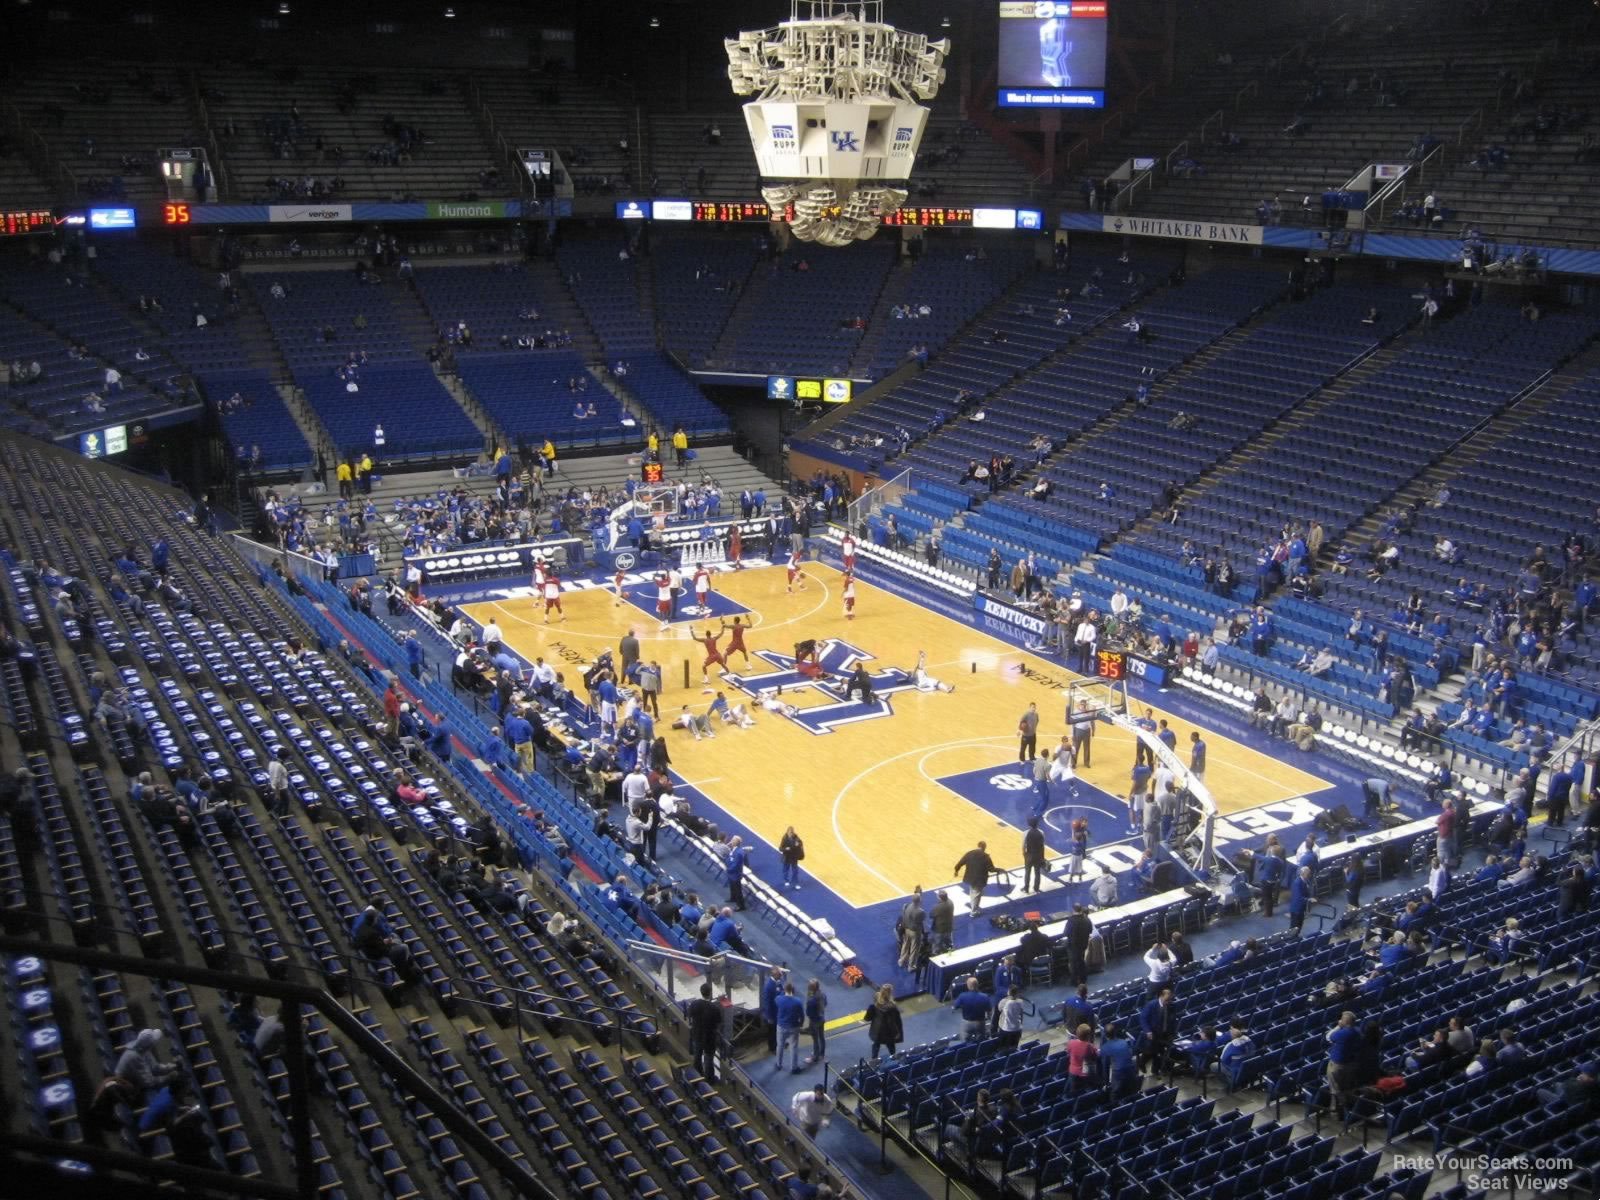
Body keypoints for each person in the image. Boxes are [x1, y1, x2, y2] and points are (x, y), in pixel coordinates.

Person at [687, 983, 723, 1080]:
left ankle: (698, 1075)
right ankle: (709, 1079)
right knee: (708, 1059)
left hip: (697, 1034)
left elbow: (689, 1015)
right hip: (709, 1037)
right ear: (710, 993)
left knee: (697, 1057)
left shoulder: (694, 1004)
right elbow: (718, 1022)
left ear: (701, 992)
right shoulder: (714, 1008)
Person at [1138, 987, 1177, 1074]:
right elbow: (1143, 1019)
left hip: (1165, 1032)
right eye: (1167, 1000)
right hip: (1153, 1032)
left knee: (1160, 1052)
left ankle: (1155, 1070)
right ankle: (1141, 1063)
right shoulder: (1151, 1005)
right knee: (1151, 1051)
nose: (1168, 1002)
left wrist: (1172, 1033)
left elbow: (1173, 1019)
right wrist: (1147, 1031)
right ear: (1161, 996)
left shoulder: (1171, 1005)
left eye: (1170, 1000)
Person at [953, 841, 995, 921]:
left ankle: (974, 908)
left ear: (978, 846)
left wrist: (956, 871)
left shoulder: (969, 853)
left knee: (973, 892)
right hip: (979, 879)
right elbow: (991, 869)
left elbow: (960, 863)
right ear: (984, 847)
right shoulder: (985, 856)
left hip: (969, 878)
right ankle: (973, 911)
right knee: (977, 894)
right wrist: (999, 870)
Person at [775, 981, 807, 1072]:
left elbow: (778, 997)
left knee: (780, 1045)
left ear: (784, 990)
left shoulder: (779, 999)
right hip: (794, 1027)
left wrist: (782, 991)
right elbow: (802, 1015)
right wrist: (800, 1024)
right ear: (793, 990)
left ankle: (778, 1064)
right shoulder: (797, 1001)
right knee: (793, 1047)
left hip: (781, 1026)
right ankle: (794, 1067)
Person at [866, 984, 903, 1060]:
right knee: (891, 1046)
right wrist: (897, 1033)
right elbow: (892, 1022)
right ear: (890, 993)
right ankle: (893, 1058)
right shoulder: (892, 1006)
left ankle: (874, 1061)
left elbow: (868, 1018)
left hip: (876, 1029)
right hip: (887, 1032)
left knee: (876, 1045)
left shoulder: (875, 1003)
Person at [953, 975, 992, 1041]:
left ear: (968, 986)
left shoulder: (962, 996)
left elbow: (955, 1006)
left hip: (967, 1023)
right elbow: (989, 1010)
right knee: (981, 1040)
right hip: (980, 1023)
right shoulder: (985, 997)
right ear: (977, 985)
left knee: (965, 1040)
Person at [804, 978, 828, 1066]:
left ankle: (815, 1056)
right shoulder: (822, 994)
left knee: (815, 1039)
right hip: (822, 1018)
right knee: (821, 1036)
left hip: (814, 1021)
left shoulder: (812, 1000)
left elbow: (808, 1012)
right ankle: (822, 1054)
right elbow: (825, 1003)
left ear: (812, 988)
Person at [1021, 817, 1046, 894]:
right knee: (1037, 872)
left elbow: (1023, 846)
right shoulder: (1041, 832)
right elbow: (1043, 845)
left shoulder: (1025, 833)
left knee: (1027, 872)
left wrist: (1024, 855)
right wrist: (1042, 857)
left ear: (1029, 824)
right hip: (1038, 855)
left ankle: (1026, 888)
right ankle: (1036, 888)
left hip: (1029, 855)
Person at [726, 835, 751, 909]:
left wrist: (729, 869)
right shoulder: (734, 849)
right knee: (732, 887)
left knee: (738, 890)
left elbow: (736, 865)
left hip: (735, 874)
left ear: (736, 842)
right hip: (731, 873)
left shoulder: (739, 853)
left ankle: (741, 906)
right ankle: (733, 898)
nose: (731, 841)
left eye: (733, 840)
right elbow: (729, 858)